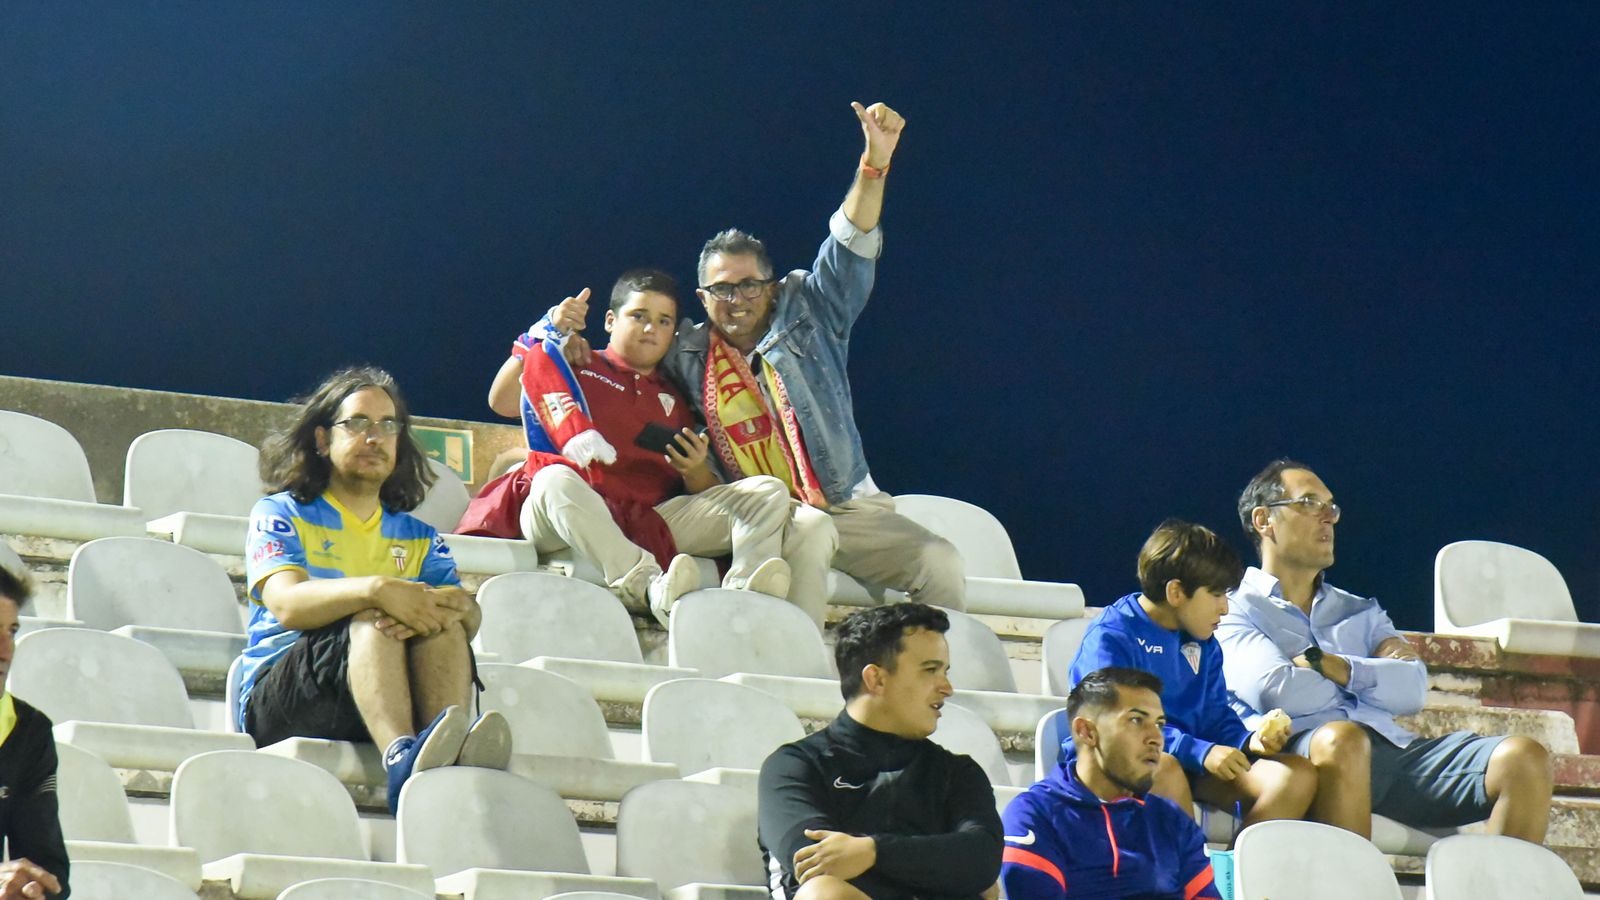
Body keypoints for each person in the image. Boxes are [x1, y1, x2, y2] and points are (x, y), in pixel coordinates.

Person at [567, 101, 964, 627]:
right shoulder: (685, 353)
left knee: (940, 562)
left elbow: (850, 245)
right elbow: (625, 356)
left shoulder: (812, 313)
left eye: (749, 284)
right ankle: (785, 666)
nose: (737, 298)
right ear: (703, 298)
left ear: (771, 288)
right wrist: (565, 345)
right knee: (806, 534)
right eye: (722, 289)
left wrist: (874, 166)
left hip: (845, 503)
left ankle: (931, 684)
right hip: (765, 512)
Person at [1218, 459, 1552, 840]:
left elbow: (1411, 690)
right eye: (1310, 502)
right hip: (1307, 756)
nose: (1328, 517)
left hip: (1394, 753)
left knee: (1524, 759)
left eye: (1331, 506)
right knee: (1342, 738)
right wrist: (1373, 680)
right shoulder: (1233, 608)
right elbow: (1277, 690)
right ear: (1264, 521)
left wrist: (1330, 665)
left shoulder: (1360, 610)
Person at [236, 366, 511, 814]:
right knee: (371, 616)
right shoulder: (282, 513)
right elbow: (287, 604)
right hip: (284, 699)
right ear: (323, 440)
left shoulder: (419, 536)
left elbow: (465, 617)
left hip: (381, 692)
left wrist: (460, 608)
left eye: (388, 425)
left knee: (443, 624)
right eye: (358, 423)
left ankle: (446, 741)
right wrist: (377, 589)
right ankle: (403, 759)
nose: (374, 437)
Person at [475, 268, 820, 626]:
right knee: (553, 478)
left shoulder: (677, 397)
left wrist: (695, 471)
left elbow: (698, 491)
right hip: (567, 509)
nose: (650, 328)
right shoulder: (575, 362)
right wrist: (545, 330)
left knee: (767, 492)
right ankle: (644, 585)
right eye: (638, 316)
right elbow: (501, 400)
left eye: (663, 321)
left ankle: (743, 597)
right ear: (610, 320)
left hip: (646, 518)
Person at [1064, 520, 1316, 831]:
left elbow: (1213, 713)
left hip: (1190, 762)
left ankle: (1230, 876)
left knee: (1296, 776)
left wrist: (1249, 741)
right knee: (1165, 768)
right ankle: (1190, 877)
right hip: (1119, 763)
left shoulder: (1204, 642)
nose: (1225, 608)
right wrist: (1199, 751)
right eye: (1216, 594)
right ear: (1176, 592)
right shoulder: (1113, 637)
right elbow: (1114, 725)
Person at [757, 604, 1002, 900]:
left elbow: (982, 860)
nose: (947, 688)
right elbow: (816, 863)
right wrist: (939, 867)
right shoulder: (794, 766)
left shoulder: (957, 772)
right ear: (876, 679)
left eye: (945, 671)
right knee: (823, 893)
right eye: (930, 670)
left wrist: (871, 852)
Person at [1000, 667, 1221, 900]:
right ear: (1086, 732)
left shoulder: (1172, 820)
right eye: (1136, 720)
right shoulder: (1033, 816)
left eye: (1159, 724)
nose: (1156, 738)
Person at [0, 556, 70, 899]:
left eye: (11, 631)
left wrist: (28, 889)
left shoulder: (28, 730)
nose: (6, 651)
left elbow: (49, 869)